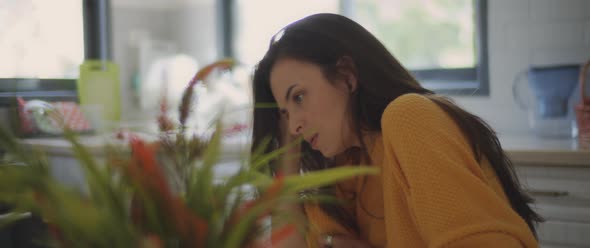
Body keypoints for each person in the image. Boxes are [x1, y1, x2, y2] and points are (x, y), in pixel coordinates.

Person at [251, 13, 542, 248]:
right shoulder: (343, 170)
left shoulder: (409, 117)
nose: (294, 124)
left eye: (299, 96)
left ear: (346, 76)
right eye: (286, 114)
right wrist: (288, 158)